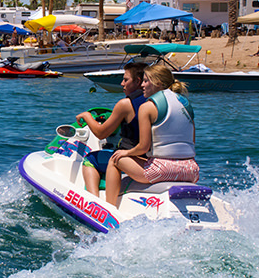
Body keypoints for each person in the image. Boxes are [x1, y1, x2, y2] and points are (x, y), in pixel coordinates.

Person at [105, 63, 199, 207]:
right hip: (191, 170)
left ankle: (108, 209)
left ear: (158, 83)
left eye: (146, 81)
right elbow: (192, 142)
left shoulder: (147, 107)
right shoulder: (185, 104)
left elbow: (143, 147)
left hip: (161, 170)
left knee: (115, 159)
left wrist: (126, 152)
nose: (142, 85)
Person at [75, 62, 147, 197]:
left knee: (90, 159)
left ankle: (93, 202)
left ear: (138, 81)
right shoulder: (155, 101)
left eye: (126, 80)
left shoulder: (126, 104)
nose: (122, 84)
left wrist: (87, 116)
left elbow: (101, 133)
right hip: (149, 159)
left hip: (130, 158)